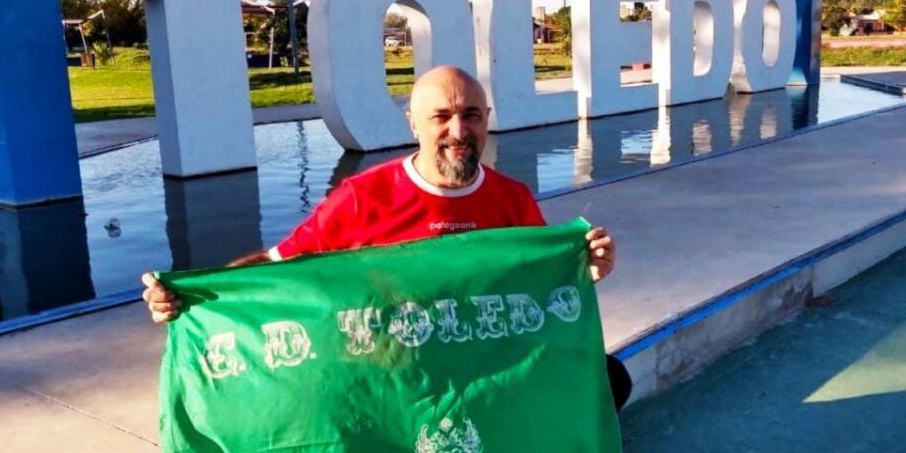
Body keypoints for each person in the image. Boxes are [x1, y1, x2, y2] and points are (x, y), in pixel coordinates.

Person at [143, 65, 630, 407]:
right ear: (413, 123)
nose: (458, 130)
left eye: (472, 115)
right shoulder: (362, 198)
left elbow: (540, 287)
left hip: (485, 362)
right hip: (393, 372)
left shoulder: (513, 198)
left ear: (486, 120)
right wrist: (193, 297)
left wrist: (586, 271)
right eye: (441, 116)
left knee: (607, 380)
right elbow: (276, 267)